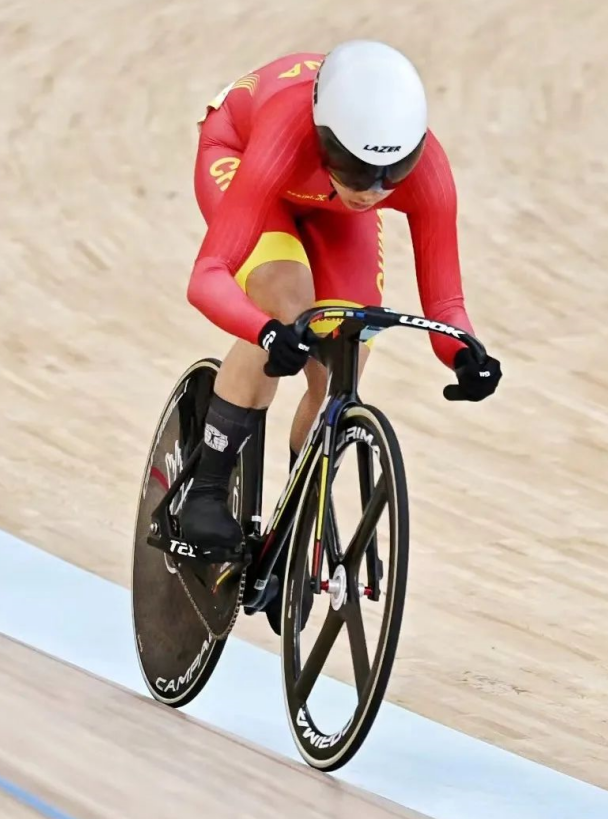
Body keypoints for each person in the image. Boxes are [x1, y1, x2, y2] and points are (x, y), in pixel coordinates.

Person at [181, 39, 502, 632]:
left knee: (346, 348)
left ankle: (298, 518)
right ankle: (207, 486)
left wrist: (465, 355)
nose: (373, 190)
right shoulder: (287, 132)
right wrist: (265, 331)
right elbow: (207, 278)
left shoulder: (424, 171)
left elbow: (446, 303)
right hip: (245, 156)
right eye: (358, 170)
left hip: (325, 202)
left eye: (391, 176)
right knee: (287, 304)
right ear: (327, 139)